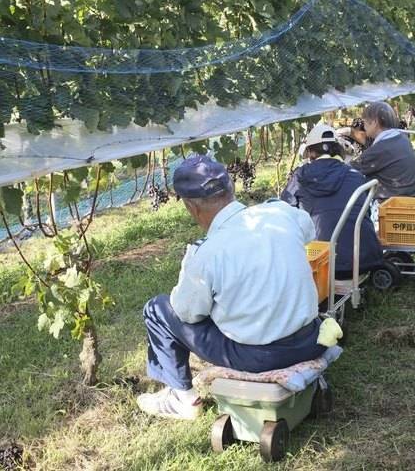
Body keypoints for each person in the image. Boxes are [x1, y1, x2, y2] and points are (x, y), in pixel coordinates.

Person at [138, 155, 326, 420]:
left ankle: (182, 398)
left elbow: (187, 314)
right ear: (232, 190)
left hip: (261, 356)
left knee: (158, 309)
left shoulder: (206, 254)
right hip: (310, 338)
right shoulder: (279, 213)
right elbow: (309, 232)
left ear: (191, 207)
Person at [282, 124, 383, 279]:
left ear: (310, 152)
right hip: (363, 260)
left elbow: (285, 213)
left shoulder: (301, 177)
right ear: (337, 149)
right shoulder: (355, 175)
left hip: (321, 264)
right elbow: (366, 212)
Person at [350, 101, 415, 200]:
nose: (364, 127)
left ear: (375, 122)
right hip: (414, 199)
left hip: (394, 206)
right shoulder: (402, 138)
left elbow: (349, 170)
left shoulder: (380, 149)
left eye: (365, 122)